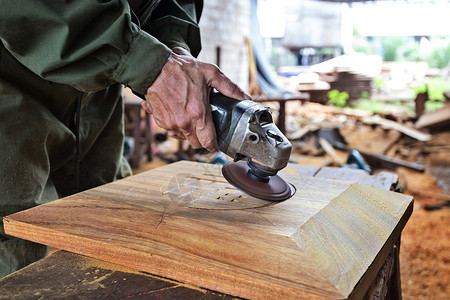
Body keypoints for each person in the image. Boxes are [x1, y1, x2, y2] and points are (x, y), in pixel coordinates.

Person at [0, 0, 249, 277]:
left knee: (111, 221)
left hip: (95, 90)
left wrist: (172, 46)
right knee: (11, 243)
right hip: (10, 79)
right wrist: (147, 63)